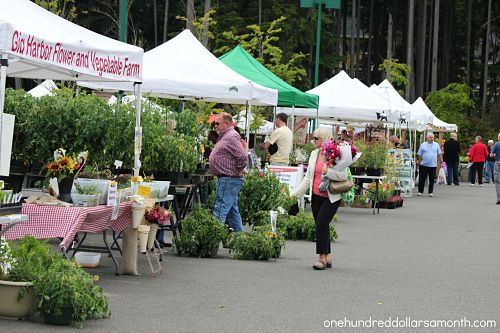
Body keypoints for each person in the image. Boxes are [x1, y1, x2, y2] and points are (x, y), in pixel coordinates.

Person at [290, 128, 348, 270]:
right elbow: (308, 178)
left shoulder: (335, 154)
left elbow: (344, 176)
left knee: (321, 223)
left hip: (331, 197)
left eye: (316, 138)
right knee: (322, 225)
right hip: (316, 196)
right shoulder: (314, 154)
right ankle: (328, 256)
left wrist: (329, 172)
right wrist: (294, 195)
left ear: (324, 139)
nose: (313, 141)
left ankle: (321, 258)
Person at [209, 112, 248, 232]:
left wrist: (237, 170)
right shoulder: (226, 135)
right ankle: (239, 239)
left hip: (229, 178)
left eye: (217, 123)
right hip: (228, 178)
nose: (215, 126)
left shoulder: (231, 136)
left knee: (220, 210)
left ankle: (212, 242)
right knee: (232, 211)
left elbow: (242, 157)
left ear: (226, 123)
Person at [489, 133, 500, 204]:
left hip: (498, 163)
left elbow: (491, 155)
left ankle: (499, 198)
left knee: (497, 182)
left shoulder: (496, 144)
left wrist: (495, 154)